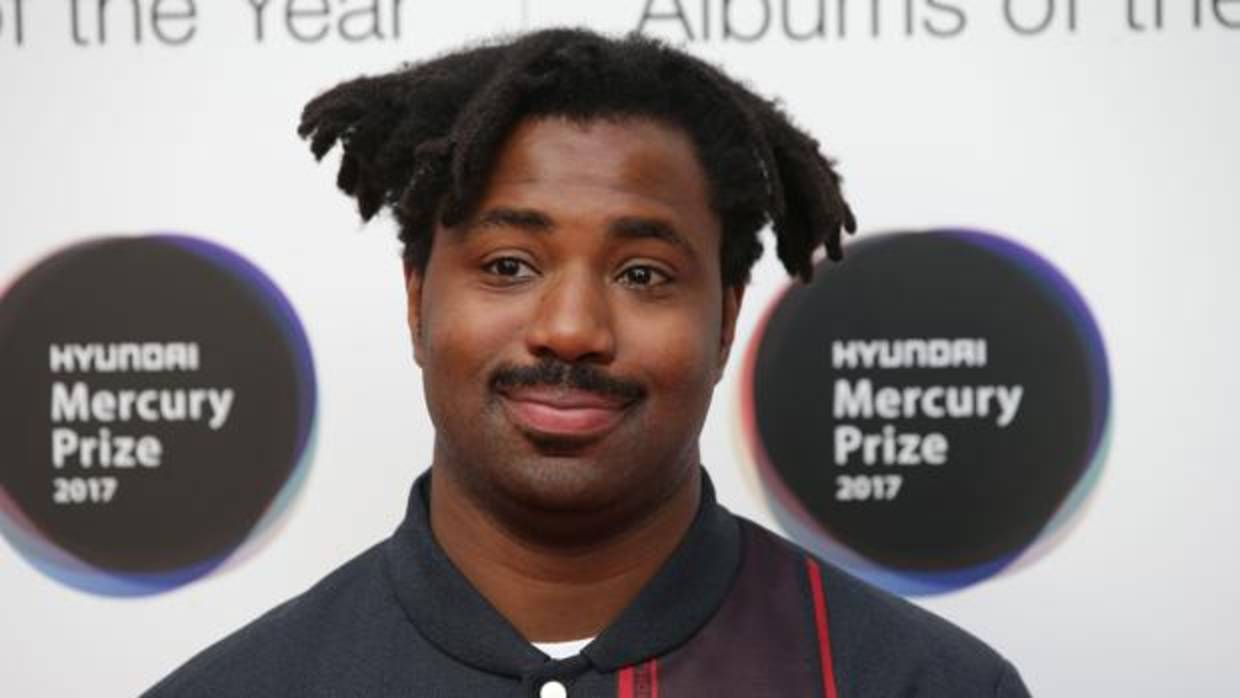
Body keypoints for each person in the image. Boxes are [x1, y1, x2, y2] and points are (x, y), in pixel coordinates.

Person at [147, 28, 1030, 697]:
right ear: (417, 301)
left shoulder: (925, 685)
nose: (570, 329)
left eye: (642, 274)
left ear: (725, 321)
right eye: (508, 266)